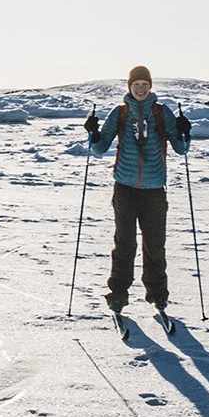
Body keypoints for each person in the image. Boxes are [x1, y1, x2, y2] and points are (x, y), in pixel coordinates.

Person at [84, 65, 192, 316]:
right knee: (125, 243)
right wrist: (93, 133)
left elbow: (181, 148)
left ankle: (157, 294)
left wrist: (185, 132)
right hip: (124, 188)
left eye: (145, 84)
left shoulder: (161, 113)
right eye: (136, 85)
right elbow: (99, 149)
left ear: (150, 86)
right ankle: (118, 294)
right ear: (129, 87)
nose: (141, 89)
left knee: (155, 244)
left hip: (154, 189)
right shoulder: (120, 113)